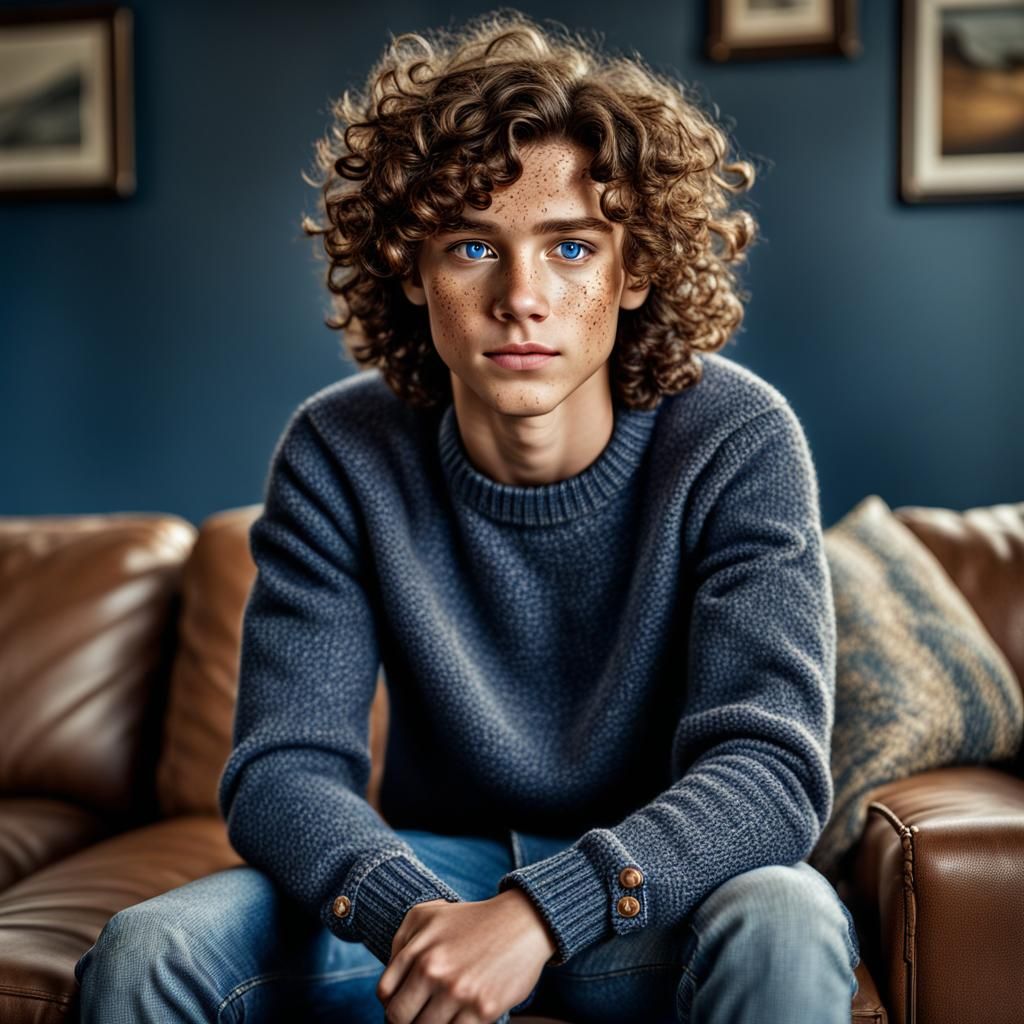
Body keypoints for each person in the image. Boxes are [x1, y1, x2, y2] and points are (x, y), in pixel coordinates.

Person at [74, 9, 860, 1024]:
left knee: (787, 916)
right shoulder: (338, 450)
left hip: (660, 890)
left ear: (634, 273)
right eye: (471, 247)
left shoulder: (736, 438)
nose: (521, 296)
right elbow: (282, 768)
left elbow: (770, 770)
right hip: (428, 881)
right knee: (147, 950)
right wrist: (417, 920)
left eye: (571, 246)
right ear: (411, 268)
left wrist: (539, 915)